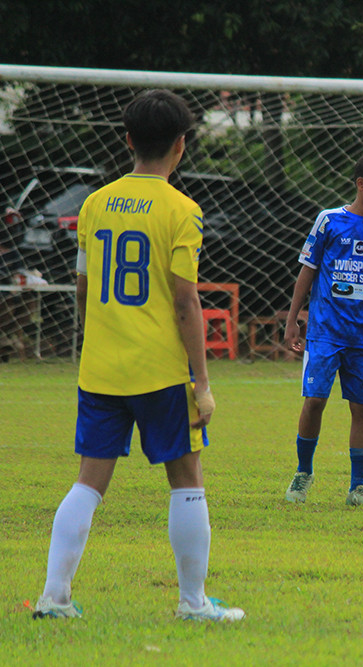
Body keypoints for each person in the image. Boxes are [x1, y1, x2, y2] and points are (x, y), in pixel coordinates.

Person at [33, 90, 242, 622]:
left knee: (89, 480)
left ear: (127, 140)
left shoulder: (94, 203)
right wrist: (201, 380)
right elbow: (184, 298)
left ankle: (54, 597)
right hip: (160, 371)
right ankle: (193, 604)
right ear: (181, 145)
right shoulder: (182, 210)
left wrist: (101, 336)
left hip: (101, 368)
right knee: (187, 476)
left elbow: (82, 287)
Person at [283, 148, 363, 506]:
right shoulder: (329, 220)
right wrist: (292, 321)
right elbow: (308, 270)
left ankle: (359, 486)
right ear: (361, 184)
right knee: (314, 400)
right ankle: (303, 474)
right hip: (325, 331)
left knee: (362, 409)